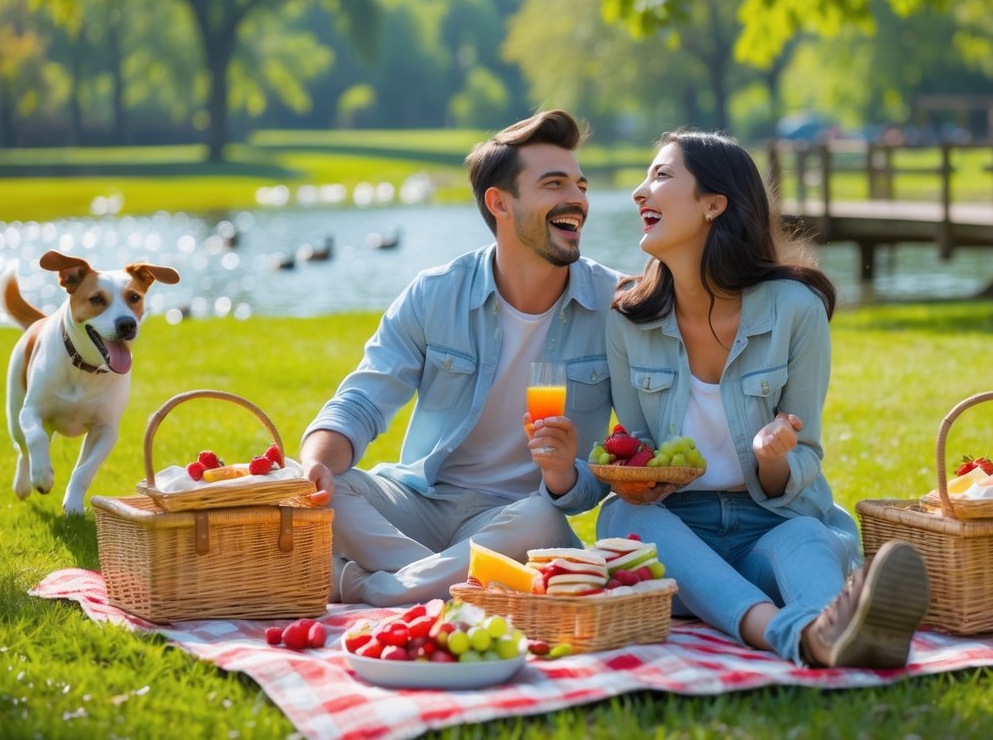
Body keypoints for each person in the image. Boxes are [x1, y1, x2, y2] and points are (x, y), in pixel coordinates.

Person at [597, 129, 929, 668]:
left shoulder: (796, 308)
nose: (640, 192)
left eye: (660, 176)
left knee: (806, 535)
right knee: (621, 521)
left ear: (713, 204)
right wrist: (633, 474)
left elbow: (804, 458)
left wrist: (774, 457)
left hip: (771, 520)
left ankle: (834, 624)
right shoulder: (628, 320)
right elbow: (636, 448)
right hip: (680, 534)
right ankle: (803, 634)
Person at [300, 109, 617, 607]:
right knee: (325, 487)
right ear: (500, 203)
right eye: (554, 184)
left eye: (580, 185)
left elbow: (635, 455)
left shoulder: (616, 306)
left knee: (542, 521)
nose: (576, 199)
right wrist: (315, 465)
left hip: (513, 517)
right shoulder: (435, 294)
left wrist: (564, 475)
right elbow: (361, 400)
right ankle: (460, 580)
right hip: (419, 502)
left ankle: (371, 585)